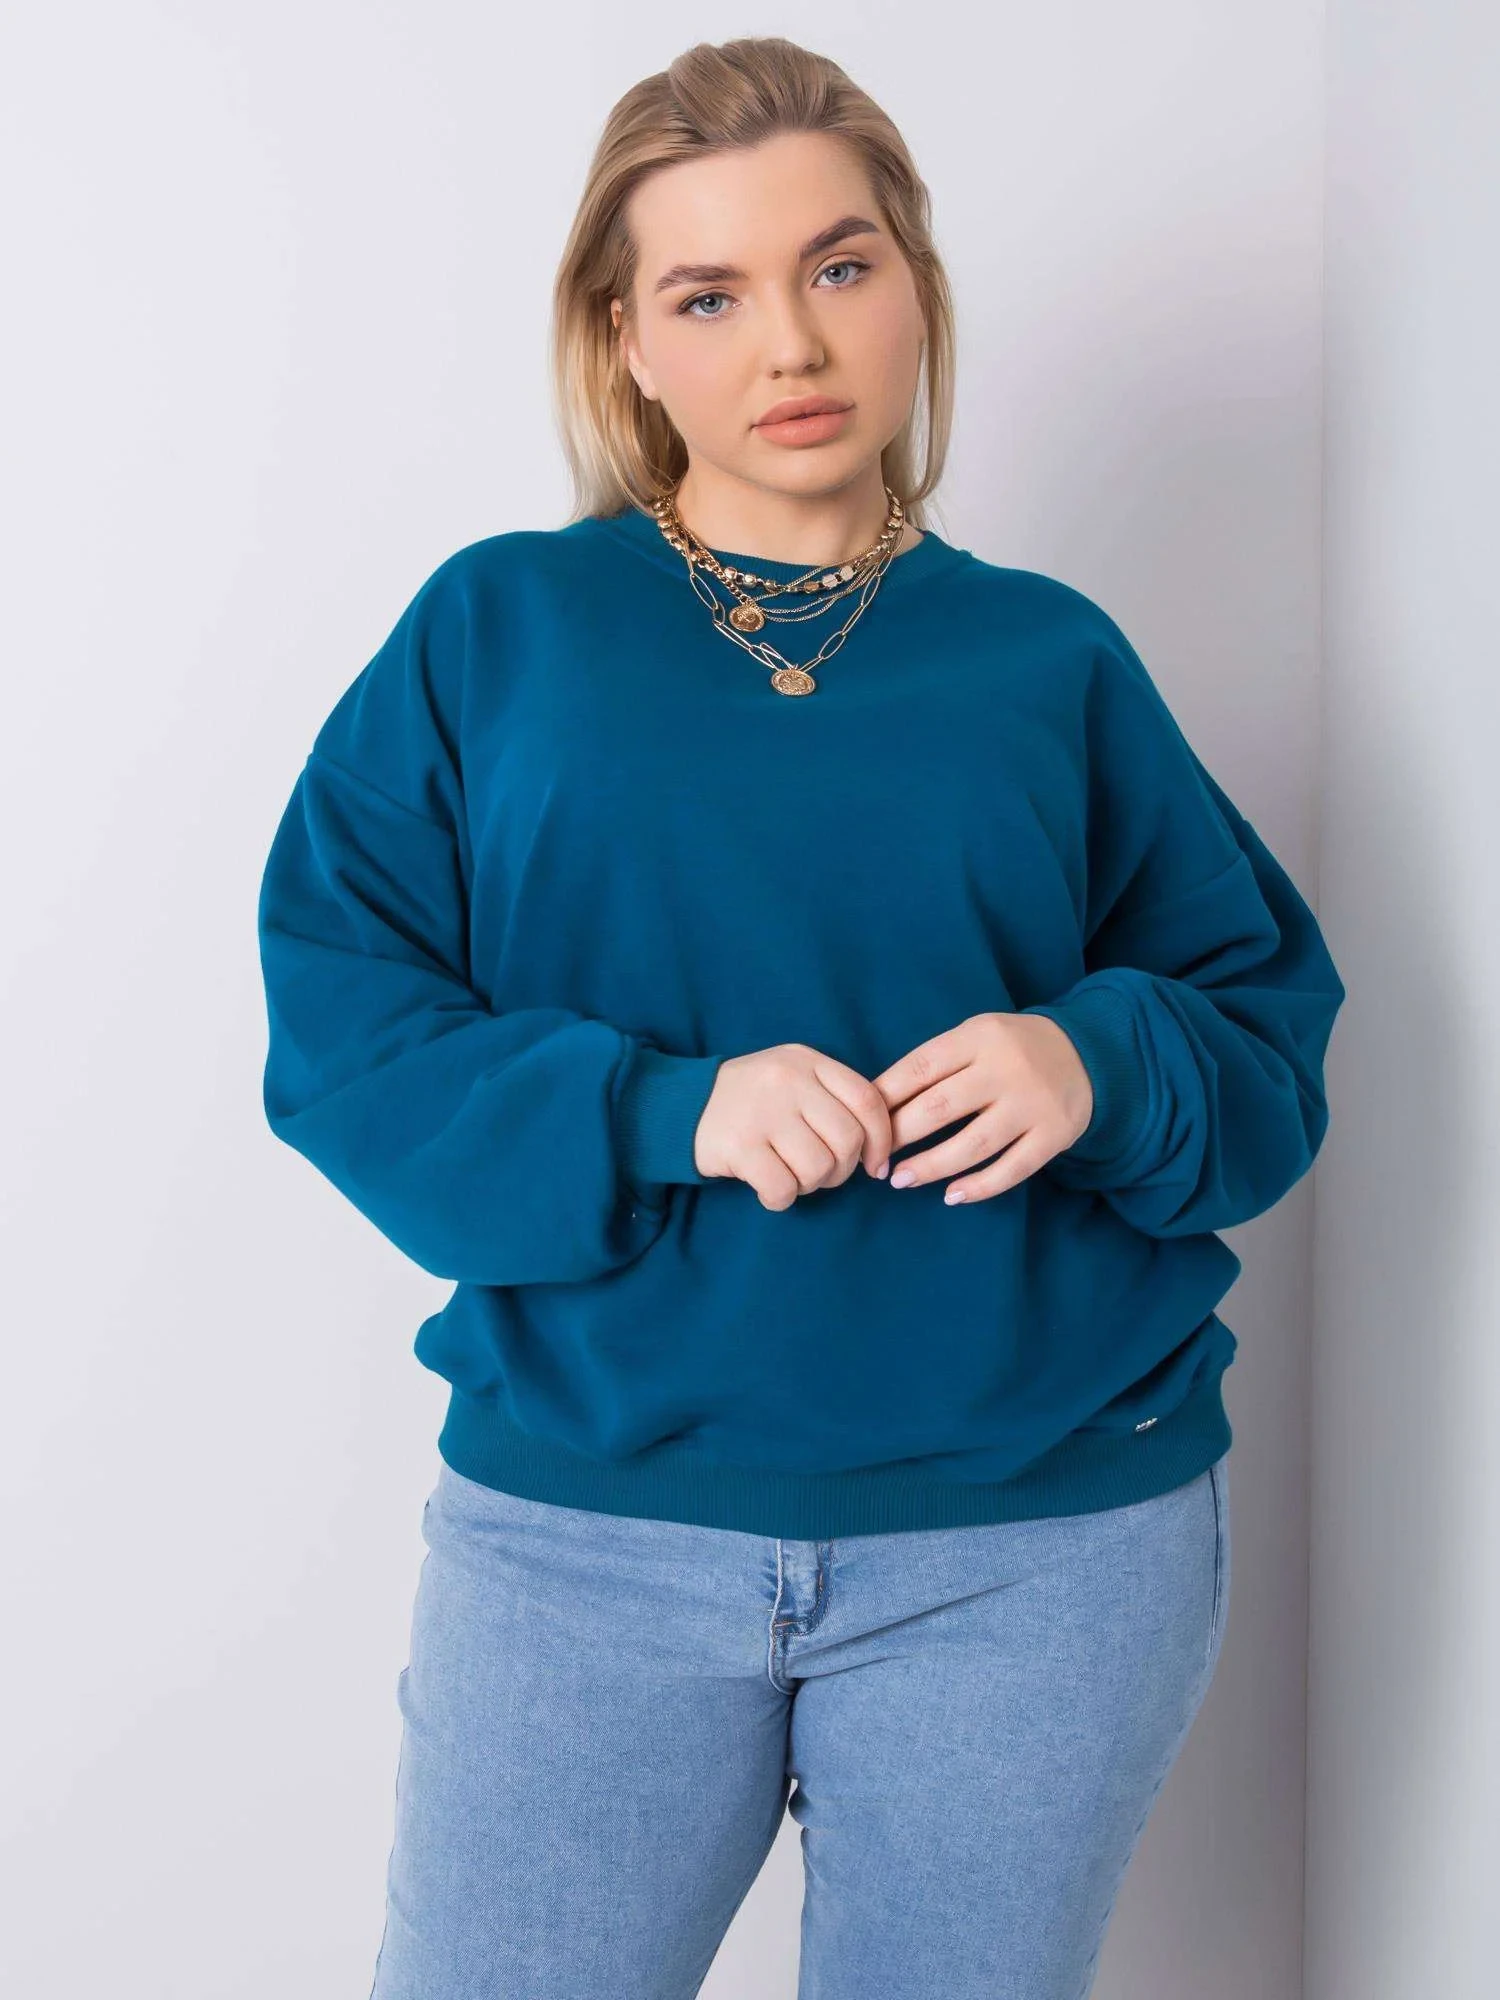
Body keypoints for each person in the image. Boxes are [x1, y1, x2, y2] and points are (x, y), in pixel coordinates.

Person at [256, 34, 1345, 2000]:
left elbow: (1263, 1033)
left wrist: (1094, 1059)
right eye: (710, 294)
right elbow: (344, 1028)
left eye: (841, 265)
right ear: (625, 340)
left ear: (915, 281)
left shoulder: (1047, 659)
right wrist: (661, 1110)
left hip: (1040, 1549)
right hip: (588, 1537)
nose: (793, 342)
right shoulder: (501, 631)